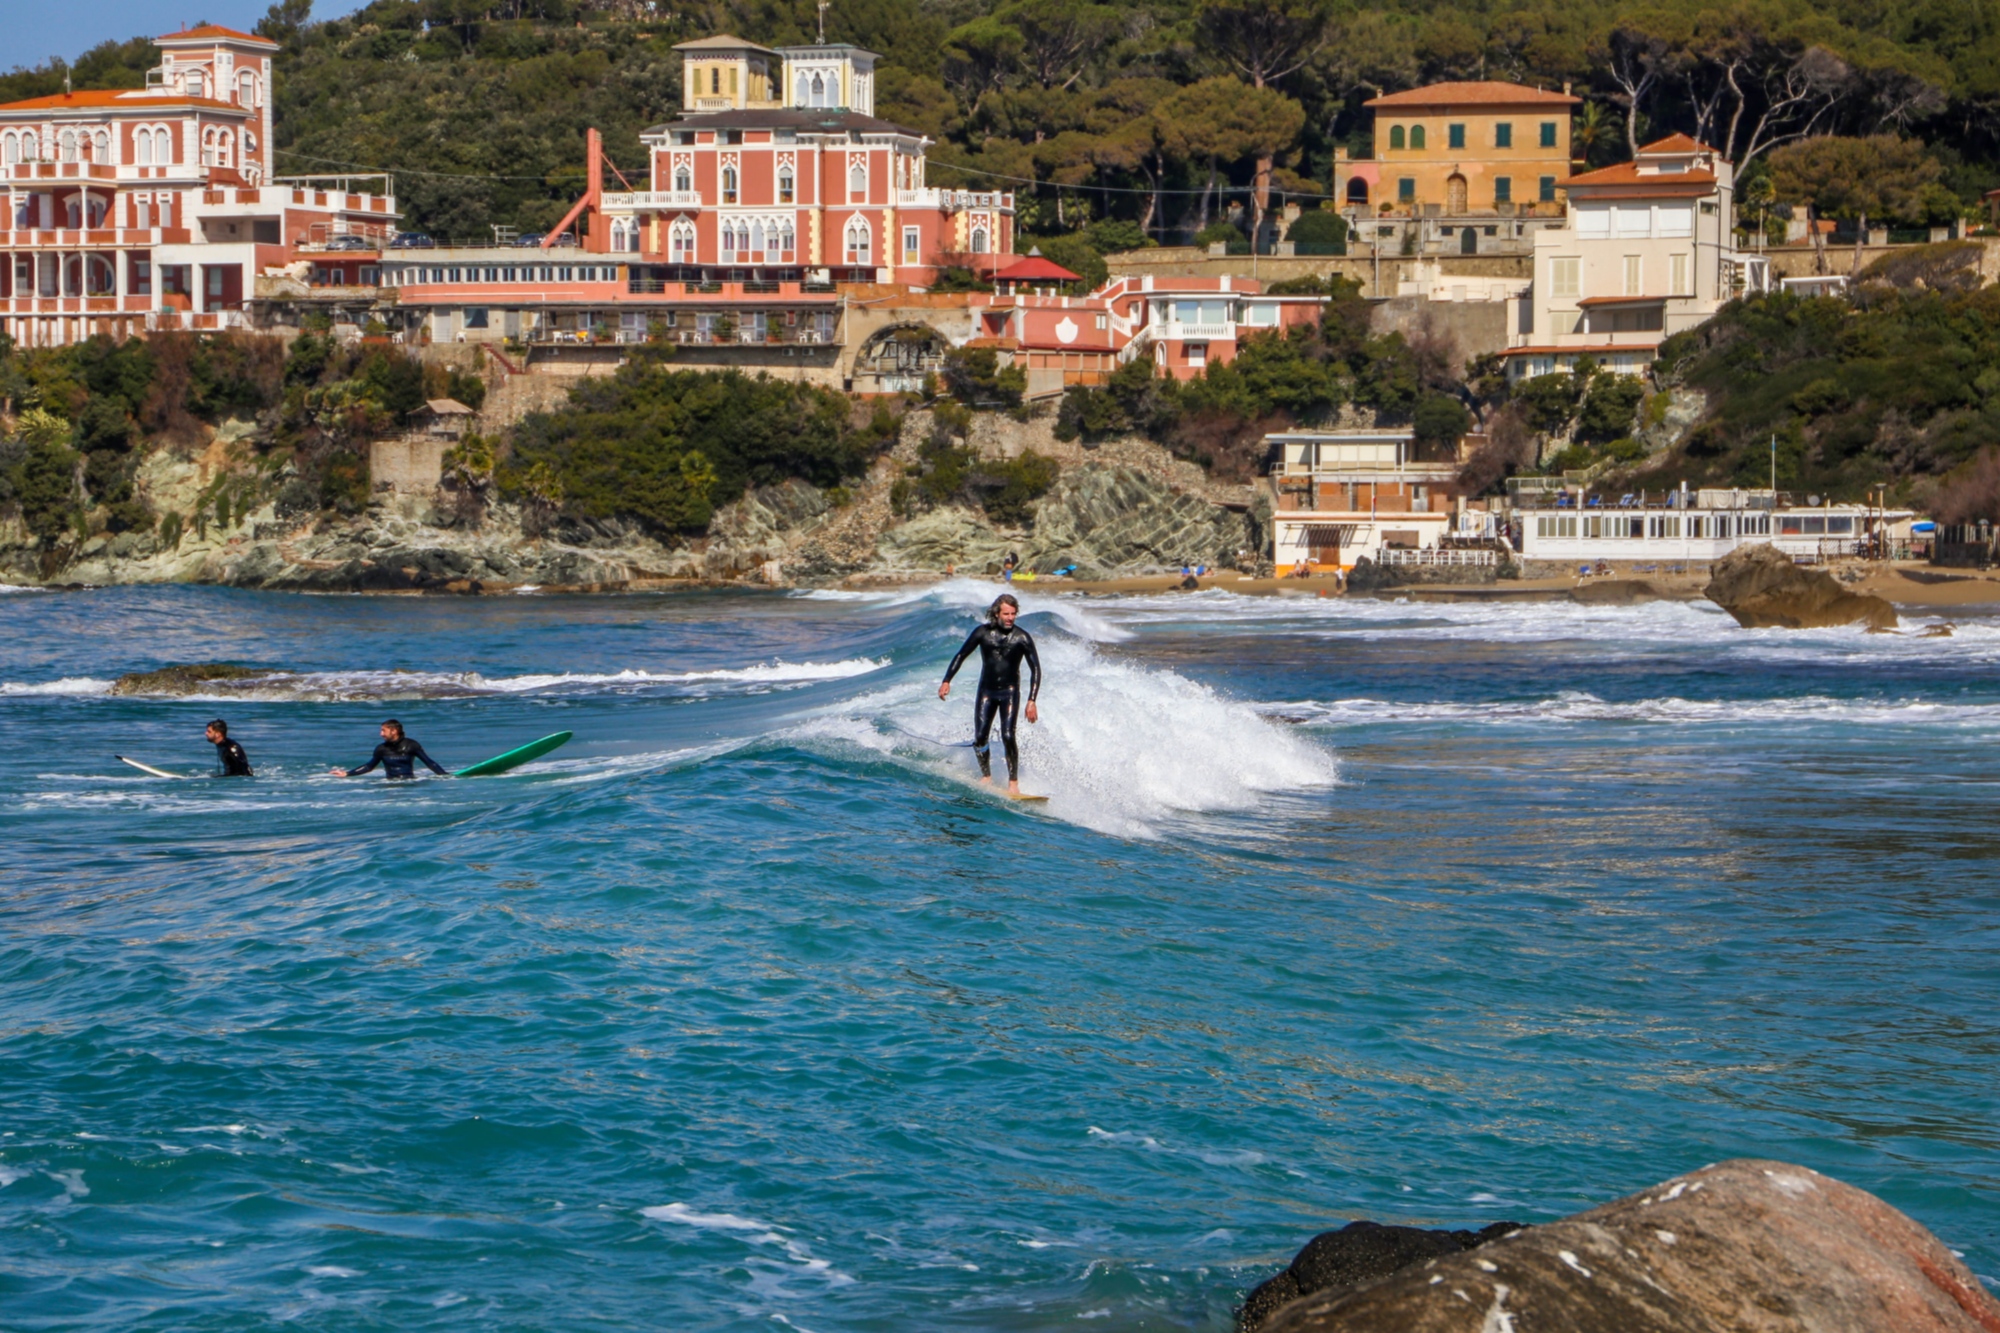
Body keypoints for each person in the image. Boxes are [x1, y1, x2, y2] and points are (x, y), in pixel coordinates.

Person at [938, 593, 1041, 796]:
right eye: (1006, 614)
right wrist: (947, 680)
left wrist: (1032, 700)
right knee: (980, 737)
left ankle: (1013, 783)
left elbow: (1036, 668)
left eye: (1013, 613)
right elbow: (961, 655)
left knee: (1008, 735)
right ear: (996, 613)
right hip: (986, 691)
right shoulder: (982, 633)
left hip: (1010, 692)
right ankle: (986, 776)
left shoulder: (1022, 638)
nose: (1011, 617)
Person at [331, 719, 450, 779]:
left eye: (383, 730)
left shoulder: (411, 745)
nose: (381, 734)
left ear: (394, 731)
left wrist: (445, 776)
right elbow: (369, 766)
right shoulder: (381, 749)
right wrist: (347, 773)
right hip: (389, 784)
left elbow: (430, 763)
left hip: (409, 783)